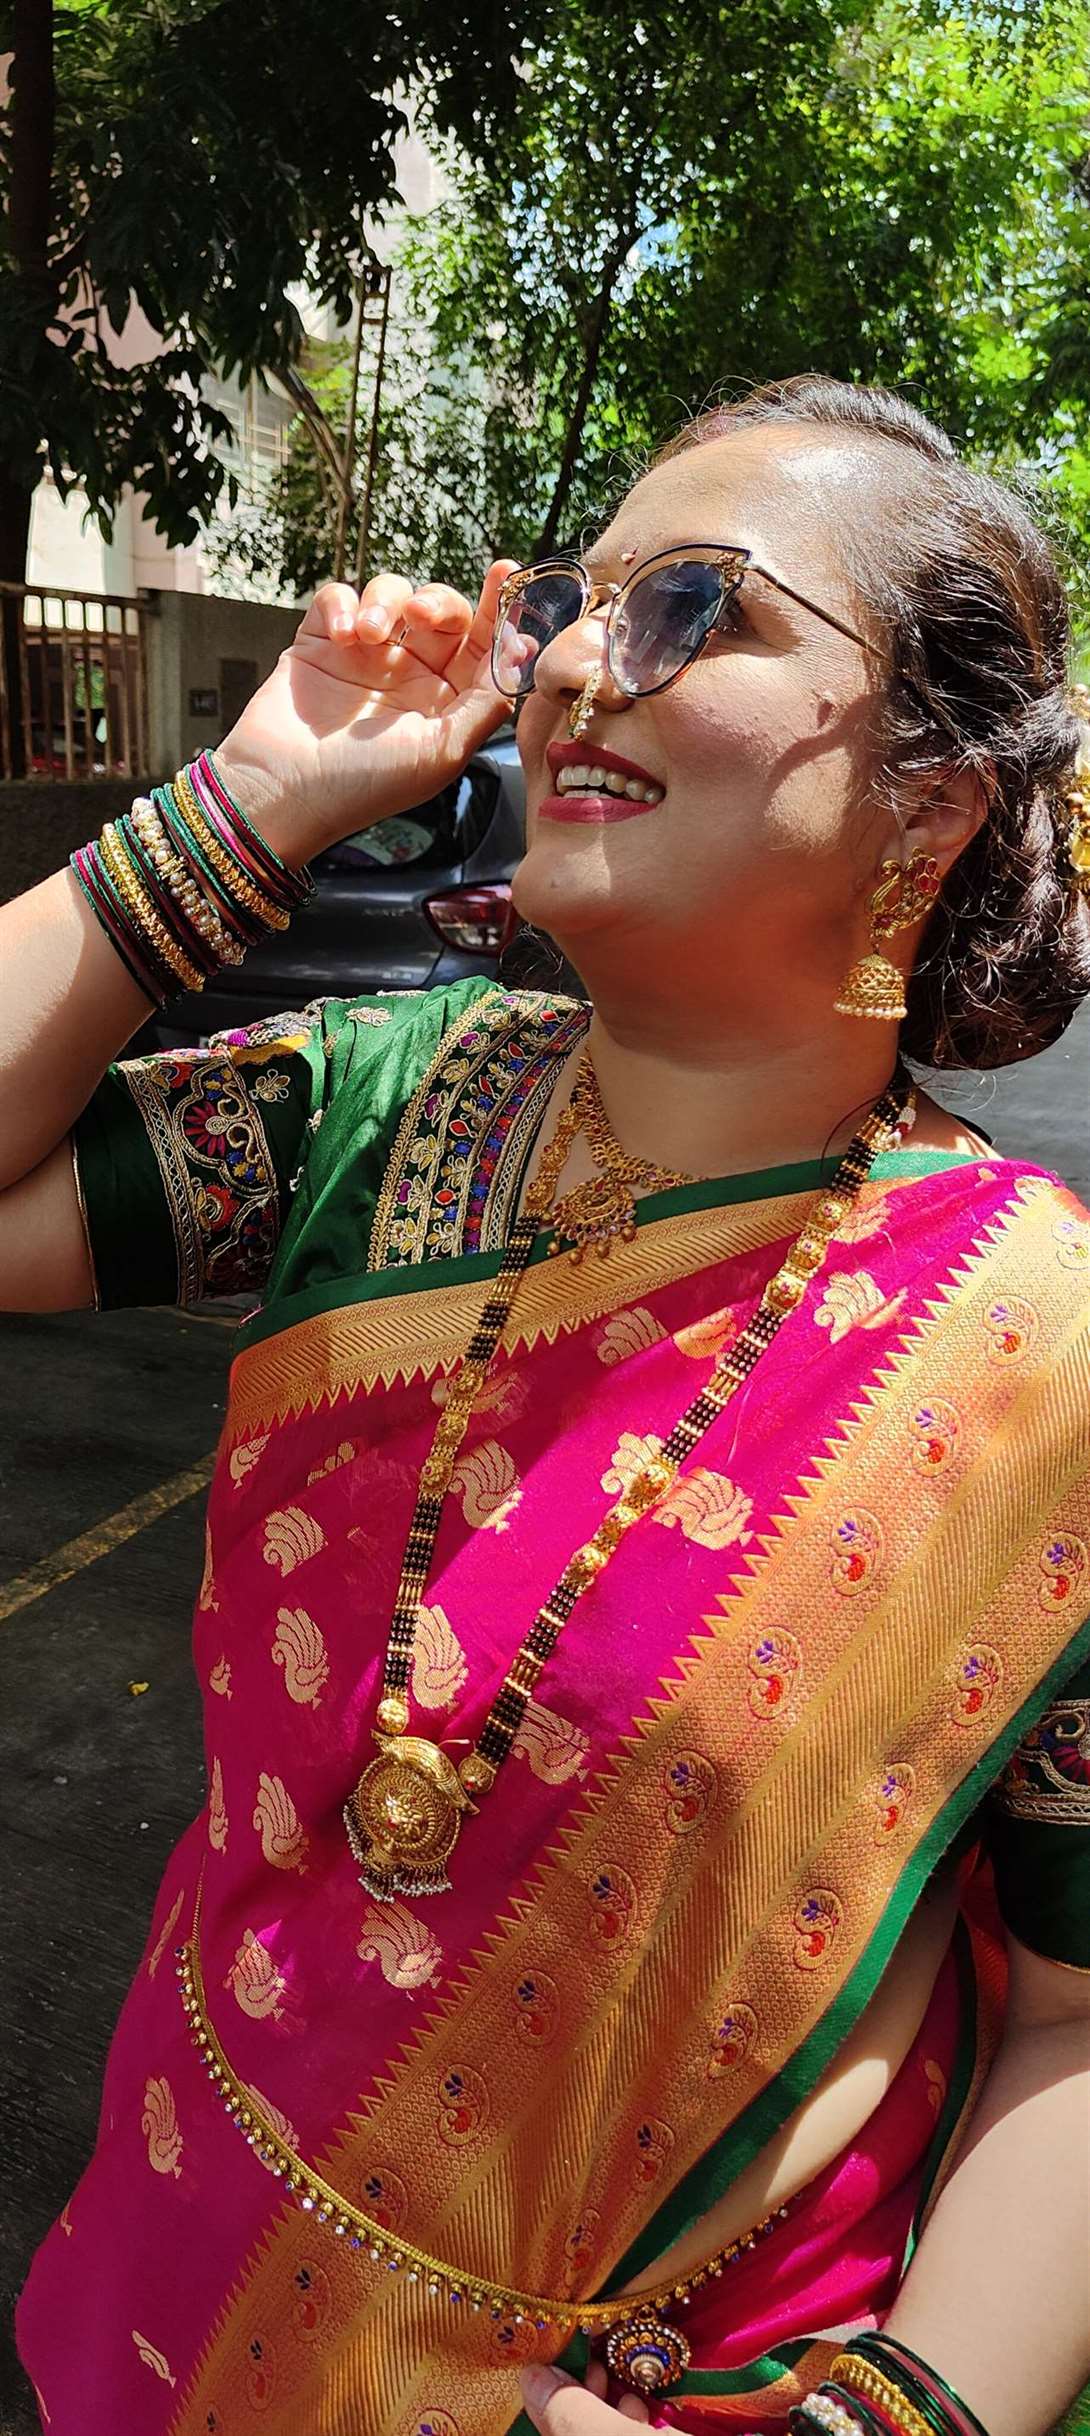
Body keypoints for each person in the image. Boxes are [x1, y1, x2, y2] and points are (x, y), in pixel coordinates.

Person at [2, 374, 1089, 2436]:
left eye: (694, 608)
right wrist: (258, 797)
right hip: (175, 2282)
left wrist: (892, 2423)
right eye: (582, 604)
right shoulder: (378, 1107)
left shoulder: (1046, 1356)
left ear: (927, 804)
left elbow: (1074, 2017)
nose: (583, 662)